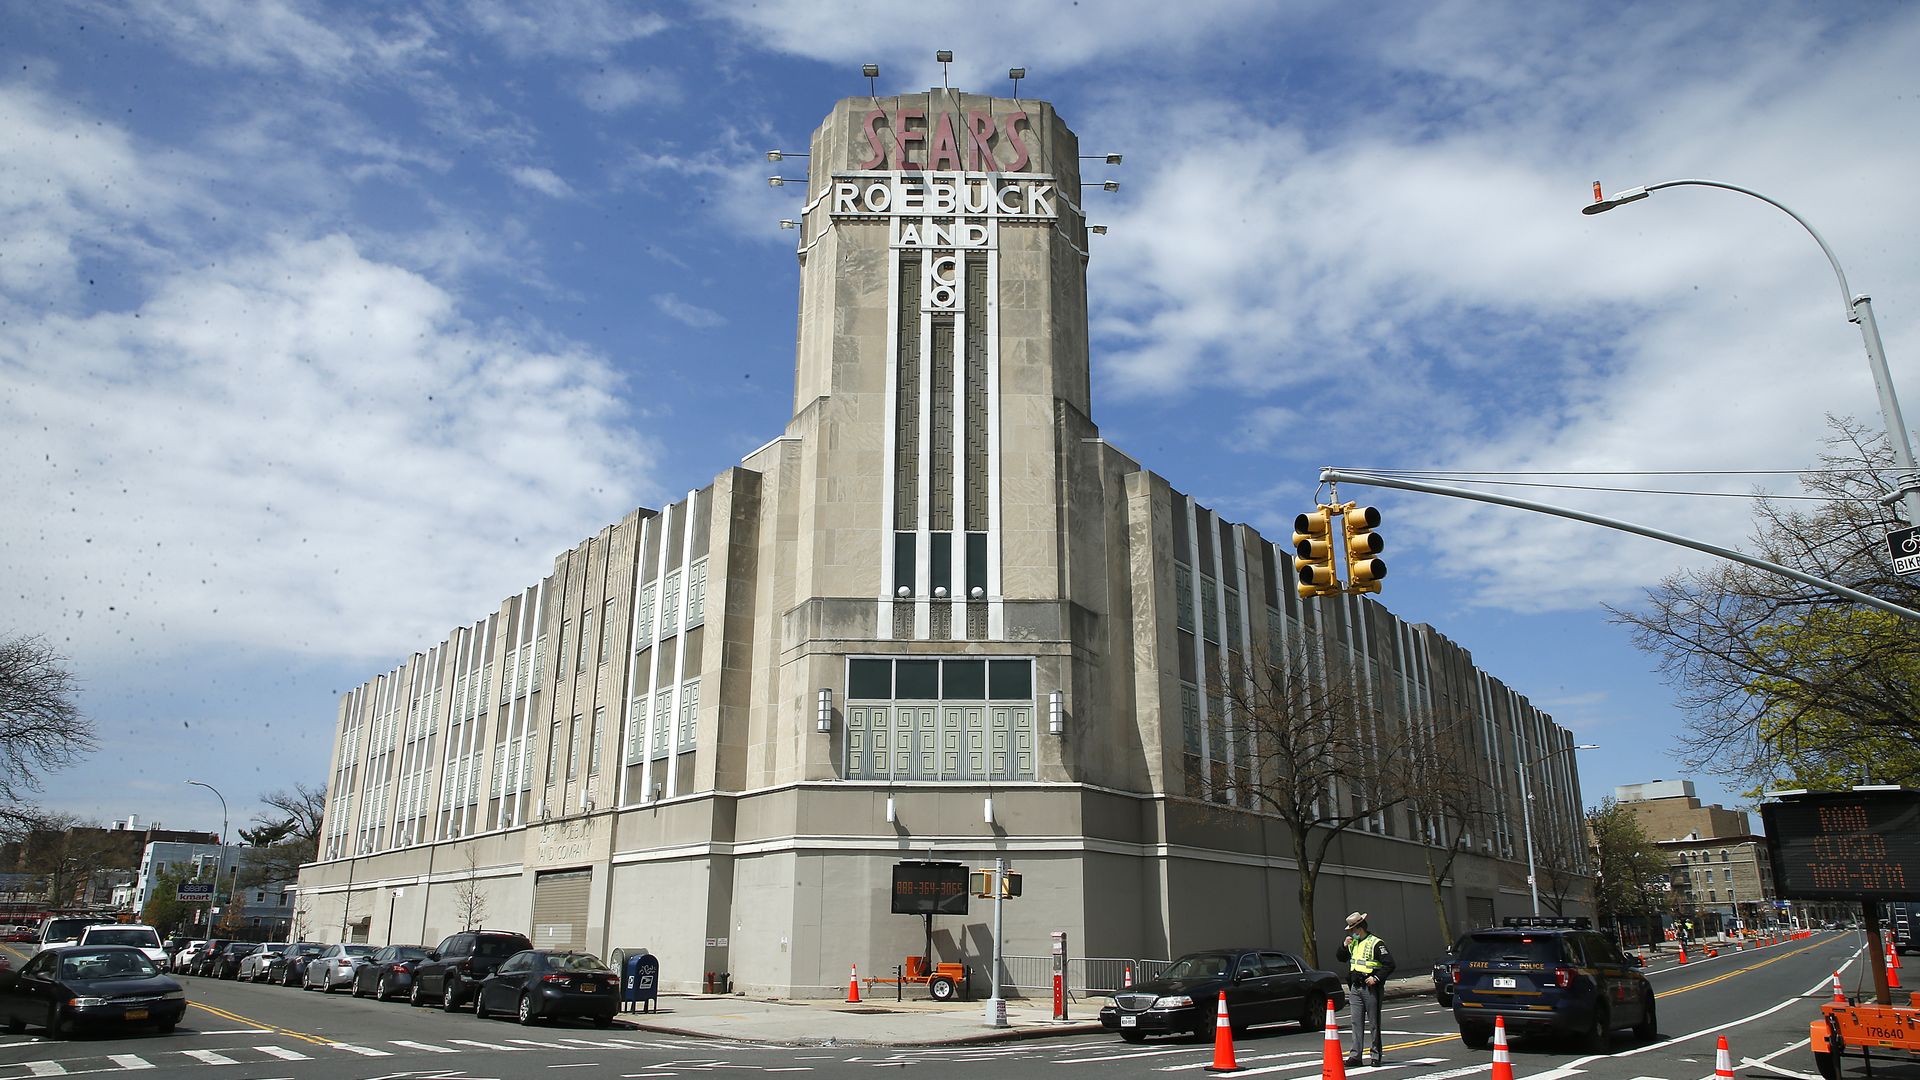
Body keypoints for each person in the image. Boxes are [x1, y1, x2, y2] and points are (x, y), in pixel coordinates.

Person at [1338, 911, 1395, 1067]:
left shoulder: (1376, 943)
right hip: (1356, 988)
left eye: (1352, 929)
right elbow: (1340, 957)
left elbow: (1389, 964)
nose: (1351, 932)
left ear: (1359, 928)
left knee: (1374, 1023)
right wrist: (1344, 946)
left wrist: (1376, 978)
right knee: (1356, 1022)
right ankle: (1355, 1056)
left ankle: (1375, 1055)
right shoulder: (1353, 943)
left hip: (1370, 987)